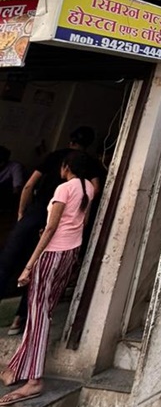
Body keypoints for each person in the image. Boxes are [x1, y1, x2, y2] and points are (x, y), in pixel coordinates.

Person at [0, 150, 95, 404]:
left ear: (66, 167)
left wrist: (29, 265)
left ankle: (34, 380)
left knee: (38, 314)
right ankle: (17, 367)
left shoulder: (64, 189)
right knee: (43, 311)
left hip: (52, 254)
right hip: (69, 254)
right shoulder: (88, 188)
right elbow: (80, 222)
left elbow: (51, 228)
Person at [0, 127, 104, 336]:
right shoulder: (90, 164)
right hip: (57, 224)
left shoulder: (56, 156)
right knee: (37, 272)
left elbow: (29, 185)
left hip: (37, 214)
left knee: (6, 263)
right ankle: (19, 319)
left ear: (70, 141)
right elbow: (96, 189)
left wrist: (21, 214)